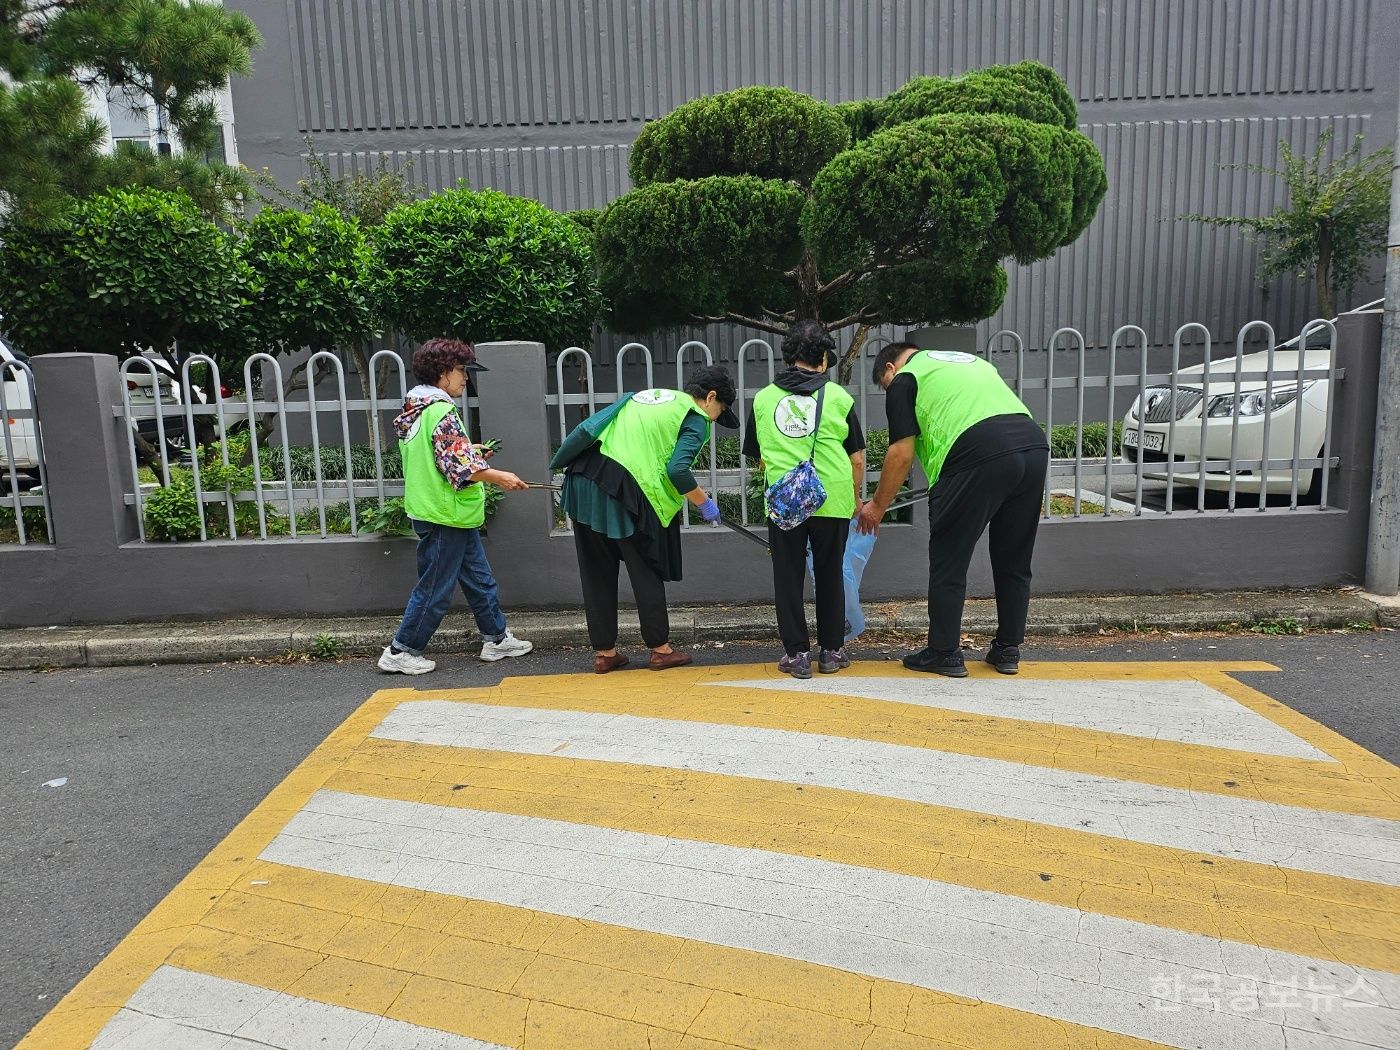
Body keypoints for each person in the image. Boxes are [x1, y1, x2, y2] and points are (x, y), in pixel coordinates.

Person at [856, 342, 1049, 677]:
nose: (890, 389)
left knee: (949, 558)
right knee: (1014, 557)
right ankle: (1008, 650)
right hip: (1032, 444)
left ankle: (944, 651)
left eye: (885, 385)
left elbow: (901, 453)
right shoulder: (971, 362)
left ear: (889, 368)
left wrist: (877, 506)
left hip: (975, 452)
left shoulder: (905, 379)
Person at [551, 365, 739, 673]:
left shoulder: (650, 396)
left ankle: (605, 653)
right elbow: (677, 470)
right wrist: (704, 503)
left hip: (584, 477)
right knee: (646, 567)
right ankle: (659, 649)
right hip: (624, 489)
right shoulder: (695, 417)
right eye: (720, 410)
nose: (716, 418)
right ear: (710, 397)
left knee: (596, 569)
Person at [378, 338, 534, 675]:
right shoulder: (441, 410)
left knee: (479, 579)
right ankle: (401, 650)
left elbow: (442, 455)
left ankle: (496, 638)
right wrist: (500, 476)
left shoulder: (416, 408)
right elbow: (460, 468)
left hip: (442, 512)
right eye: (462, 371)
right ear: (443, 372)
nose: (466, 378)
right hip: (445, 514)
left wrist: (471, 451)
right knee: (434, 587)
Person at [744, 320, 865, 679]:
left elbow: (759, 456)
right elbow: (857, 457)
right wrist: (855, 499)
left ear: (787, 357)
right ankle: (831, 652)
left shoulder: (764, 399)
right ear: (824, 359)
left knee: (788, 576)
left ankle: (796, 655)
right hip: (832, 499)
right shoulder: (840, 398)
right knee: (830, 575)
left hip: (786, 502)